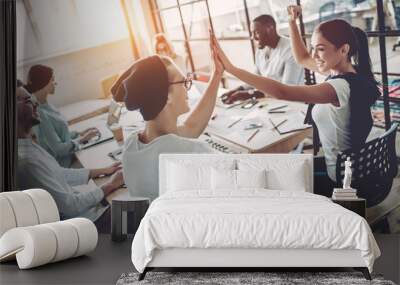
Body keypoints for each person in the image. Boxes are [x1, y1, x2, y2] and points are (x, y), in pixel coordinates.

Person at [210, 5, 380, 197]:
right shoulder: (352, 71)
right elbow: (302, 58)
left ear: (344, 50)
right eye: (314, 48)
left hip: (341, 178)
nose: (314, 55)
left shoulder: (338, 87)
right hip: (352, 168)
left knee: (268, 179)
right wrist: (291, 22)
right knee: (283, 167)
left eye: (321, 49)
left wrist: (231, 69)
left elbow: (282, 91)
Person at [111, 51, 223, 200]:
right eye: (183, 83)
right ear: (167, 95)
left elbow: (190, 128)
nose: (187, 88)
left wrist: (216, 75)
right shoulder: (191, 152)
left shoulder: (131, 145)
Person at [16, 86, 124, 232]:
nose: (35, 104)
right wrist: (109, 186)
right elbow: (70, 206)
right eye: (28, 100)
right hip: (87, 223)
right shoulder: (25, 161)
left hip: (88, 212)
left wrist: (102, 171)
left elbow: (57, 173)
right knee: (142, 208)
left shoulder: (26, 145)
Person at [24, 65, 99, 167]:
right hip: (64, 164)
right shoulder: (39, 112)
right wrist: (83, 139)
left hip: (72, 155)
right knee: (97, 157)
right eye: (52, 80)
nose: (55, 83)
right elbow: (59, 149)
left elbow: (59, 135)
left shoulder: (47, 105)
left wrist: (79, 133)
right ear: (44, 83)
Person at [221, 14, 304, 104]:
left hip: (293, 103)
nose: (253, 37)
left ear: (270, 28)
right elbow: (255, 79)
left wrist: (249, 94)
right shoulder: (261, 50)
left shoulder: (291, 49)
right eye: (252, 33)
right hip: (269, 101)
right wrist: (237, 90)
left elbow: (287, 90)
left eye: (256, 32)